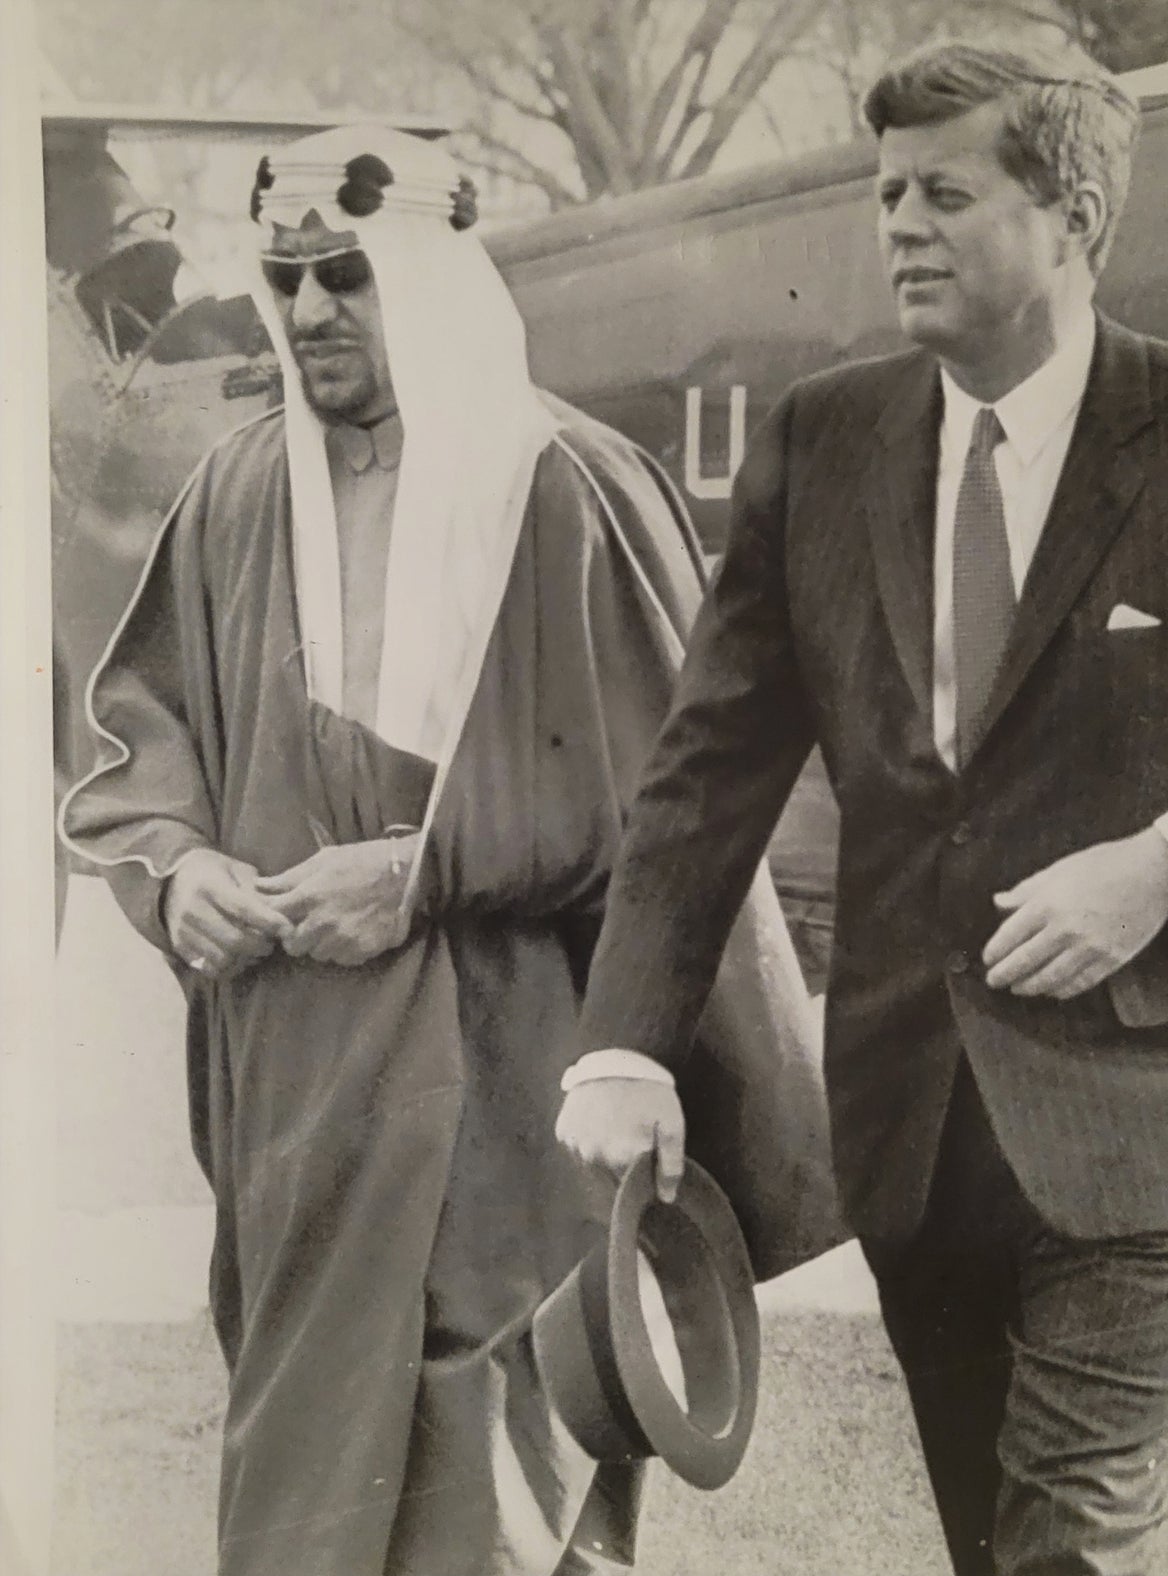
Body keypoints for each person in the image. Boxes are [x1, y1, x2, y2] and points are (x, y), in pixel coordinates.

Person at [556, 37, 1168, 1576]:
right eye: (883, 194)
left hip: (1155, 1108)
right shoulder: (822, 440)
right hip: (914, 1123)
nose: (898, 226)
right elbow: (707, 768)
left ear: (1072, 216)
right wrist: (623, 1043)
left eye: (943, 191)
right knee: (994, 1549)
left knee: (1070, 1542)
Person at [59, 125, 836, 1576]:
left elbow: (680, 811)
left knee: (504, 1504)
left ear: (427, 279)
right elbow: (134, 748)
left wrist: (421, 874)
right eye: (285, 280)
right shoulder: (231, 494)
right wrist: (176, 869)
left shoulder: (568, 487)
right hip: (296, 1104)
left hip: (510, 1085)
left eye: (344, 278)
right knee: (297, 1503)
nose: (305, 318)